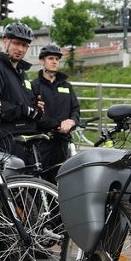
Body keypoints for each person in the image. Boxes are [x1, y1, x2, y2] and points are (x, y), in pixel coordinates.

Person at [0, 22, 43, 161]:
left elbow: (27, 103)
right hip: (7, 139)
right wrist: (23, 110)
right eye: (16, 43)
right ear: (5, 41)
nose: (20, 49)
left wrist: (36, 109)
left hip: (29, 137)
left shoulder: (22, 73)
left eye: (25, 45)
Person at [30, 44, 80, 179]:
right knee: (42, 181)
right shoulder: (34, 86)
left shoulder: (66, 86)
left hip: (63, 142)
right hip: (43, 142)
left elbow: (75, 109)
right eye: (50, 58)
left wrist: (72, 121)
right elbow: (35, 115)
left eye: (57, 59)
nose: (54, 62)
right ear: (42, 61)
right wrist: (59, 124)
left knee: (64, 179)